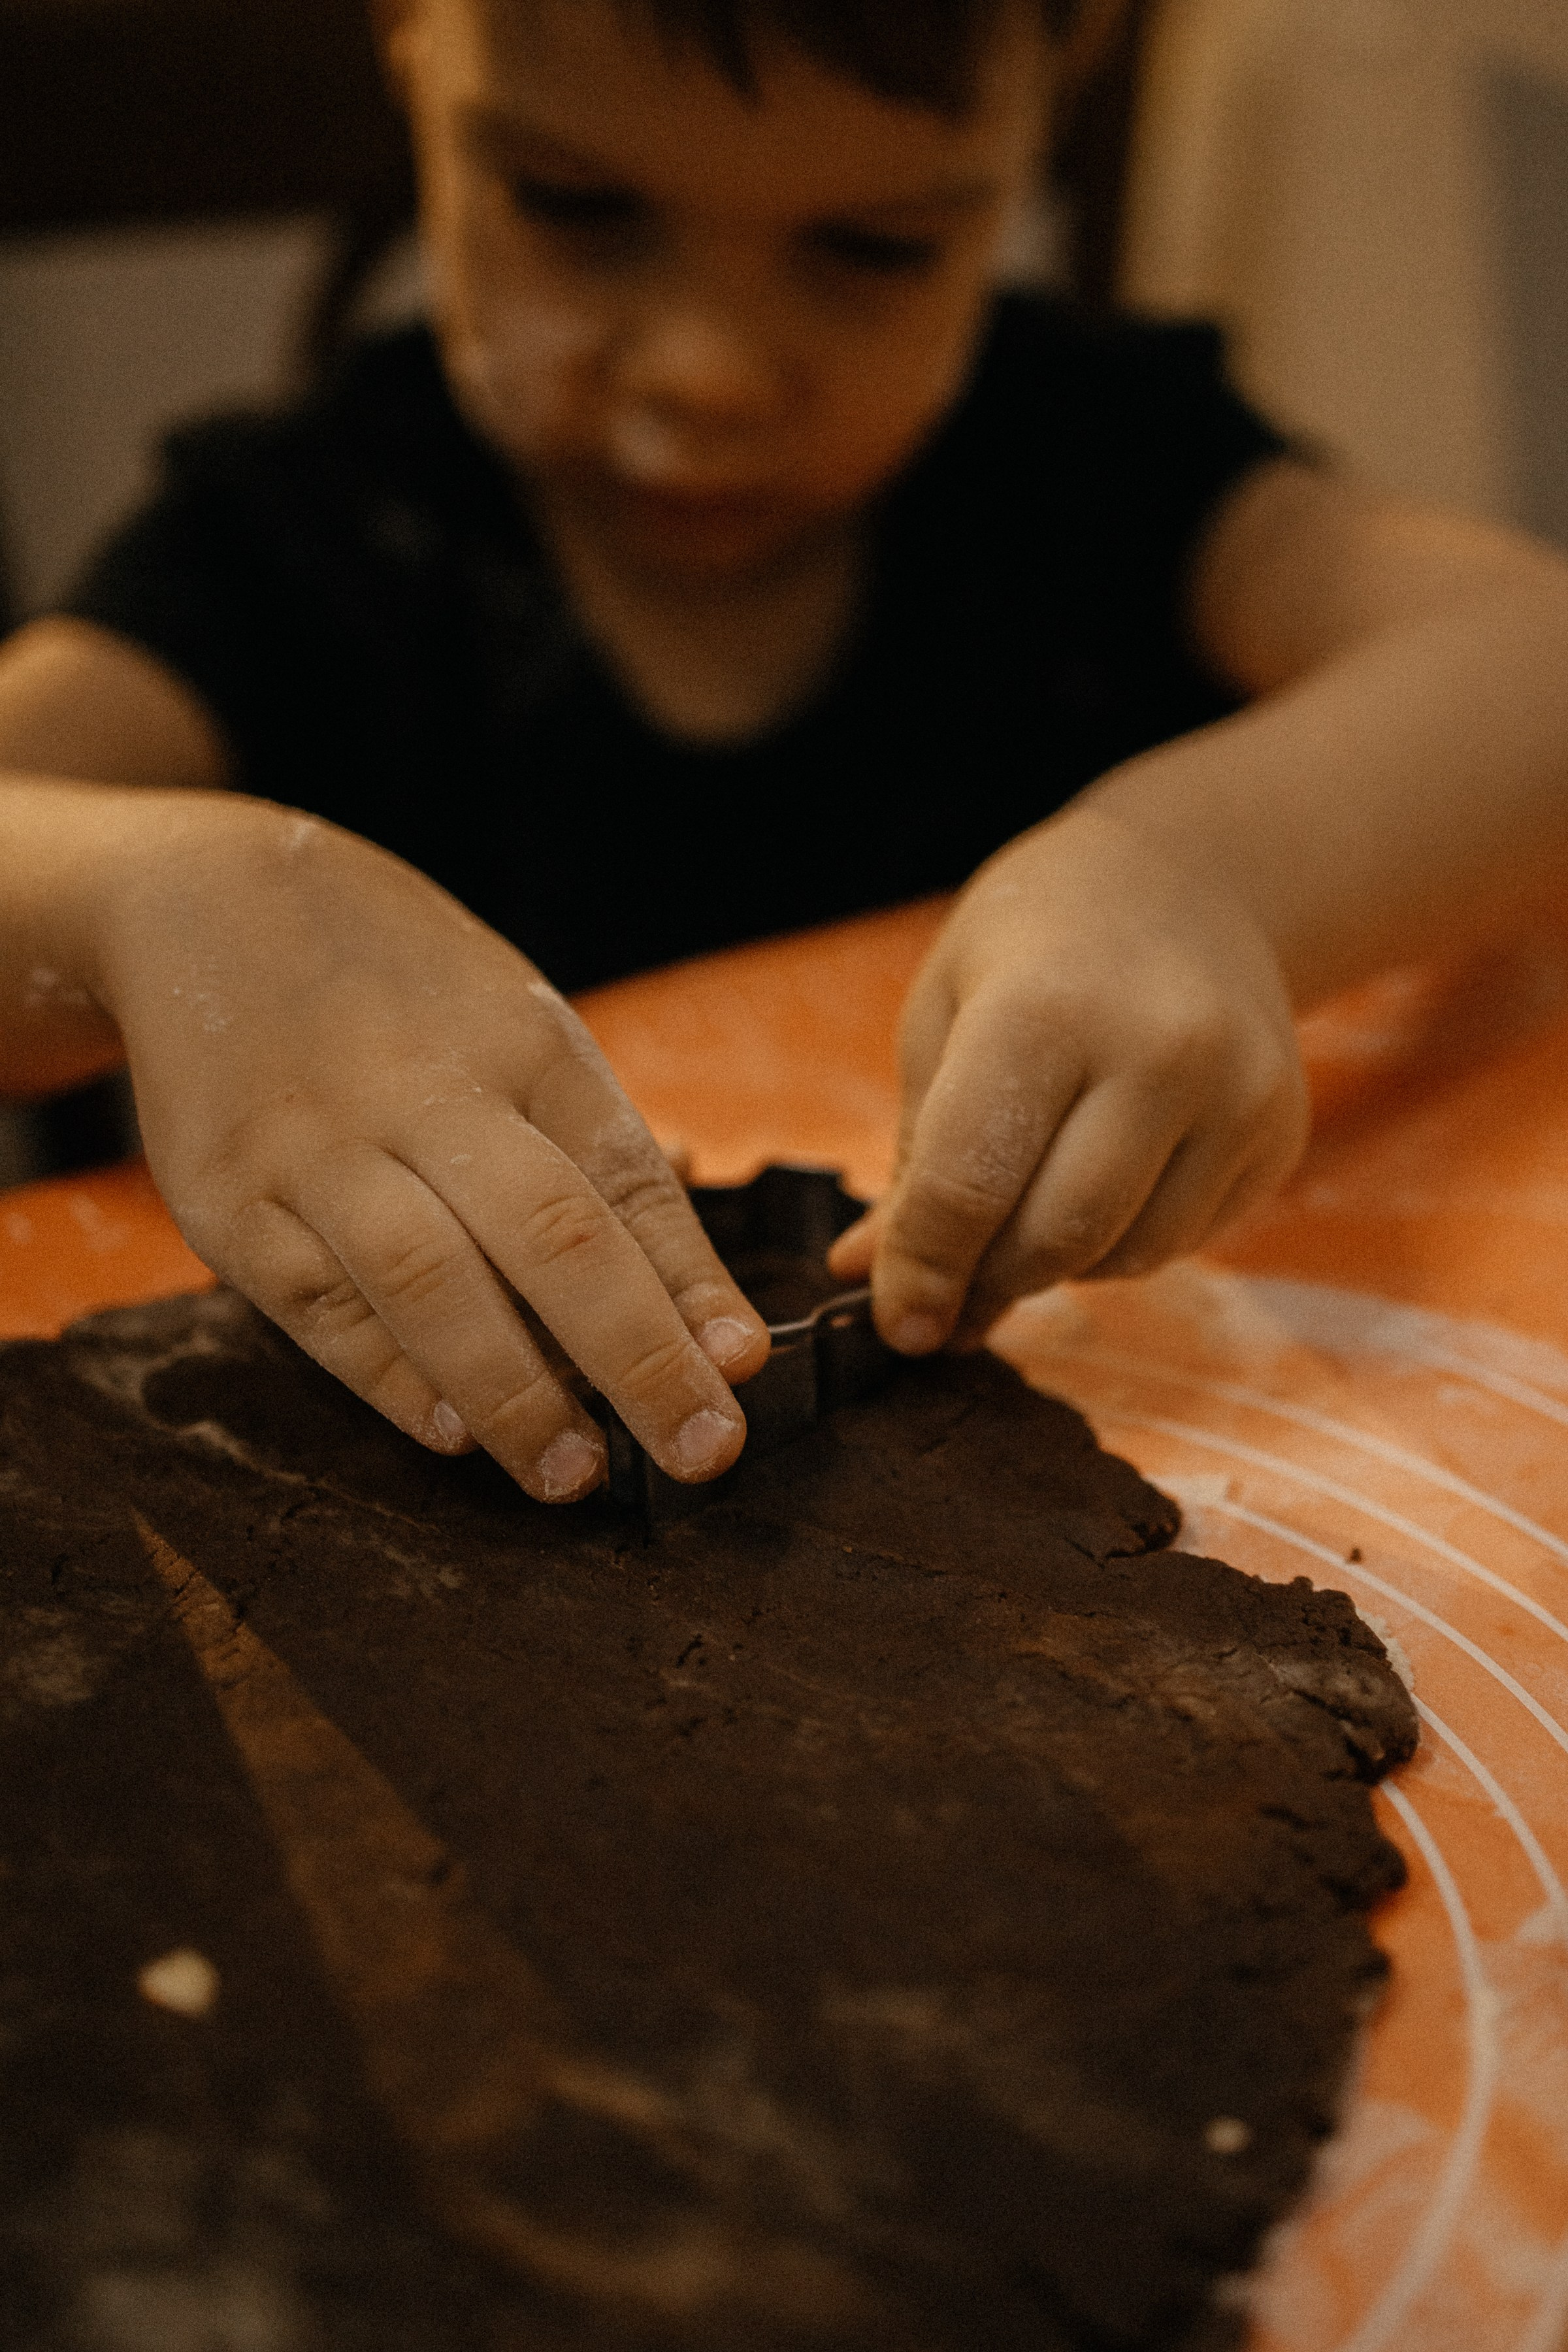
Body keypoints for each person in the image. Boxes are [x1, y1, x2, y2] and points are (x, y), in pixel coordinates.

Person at [1, 0, 1565, 1507]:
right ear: (410, 41)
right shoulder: (290, 549)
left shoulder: (1099, 463)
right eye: (574, 206)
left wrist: (1210, 876)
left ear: (1045, 107)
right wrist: (140, 902)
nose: (710, 372)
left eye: (875, 248)